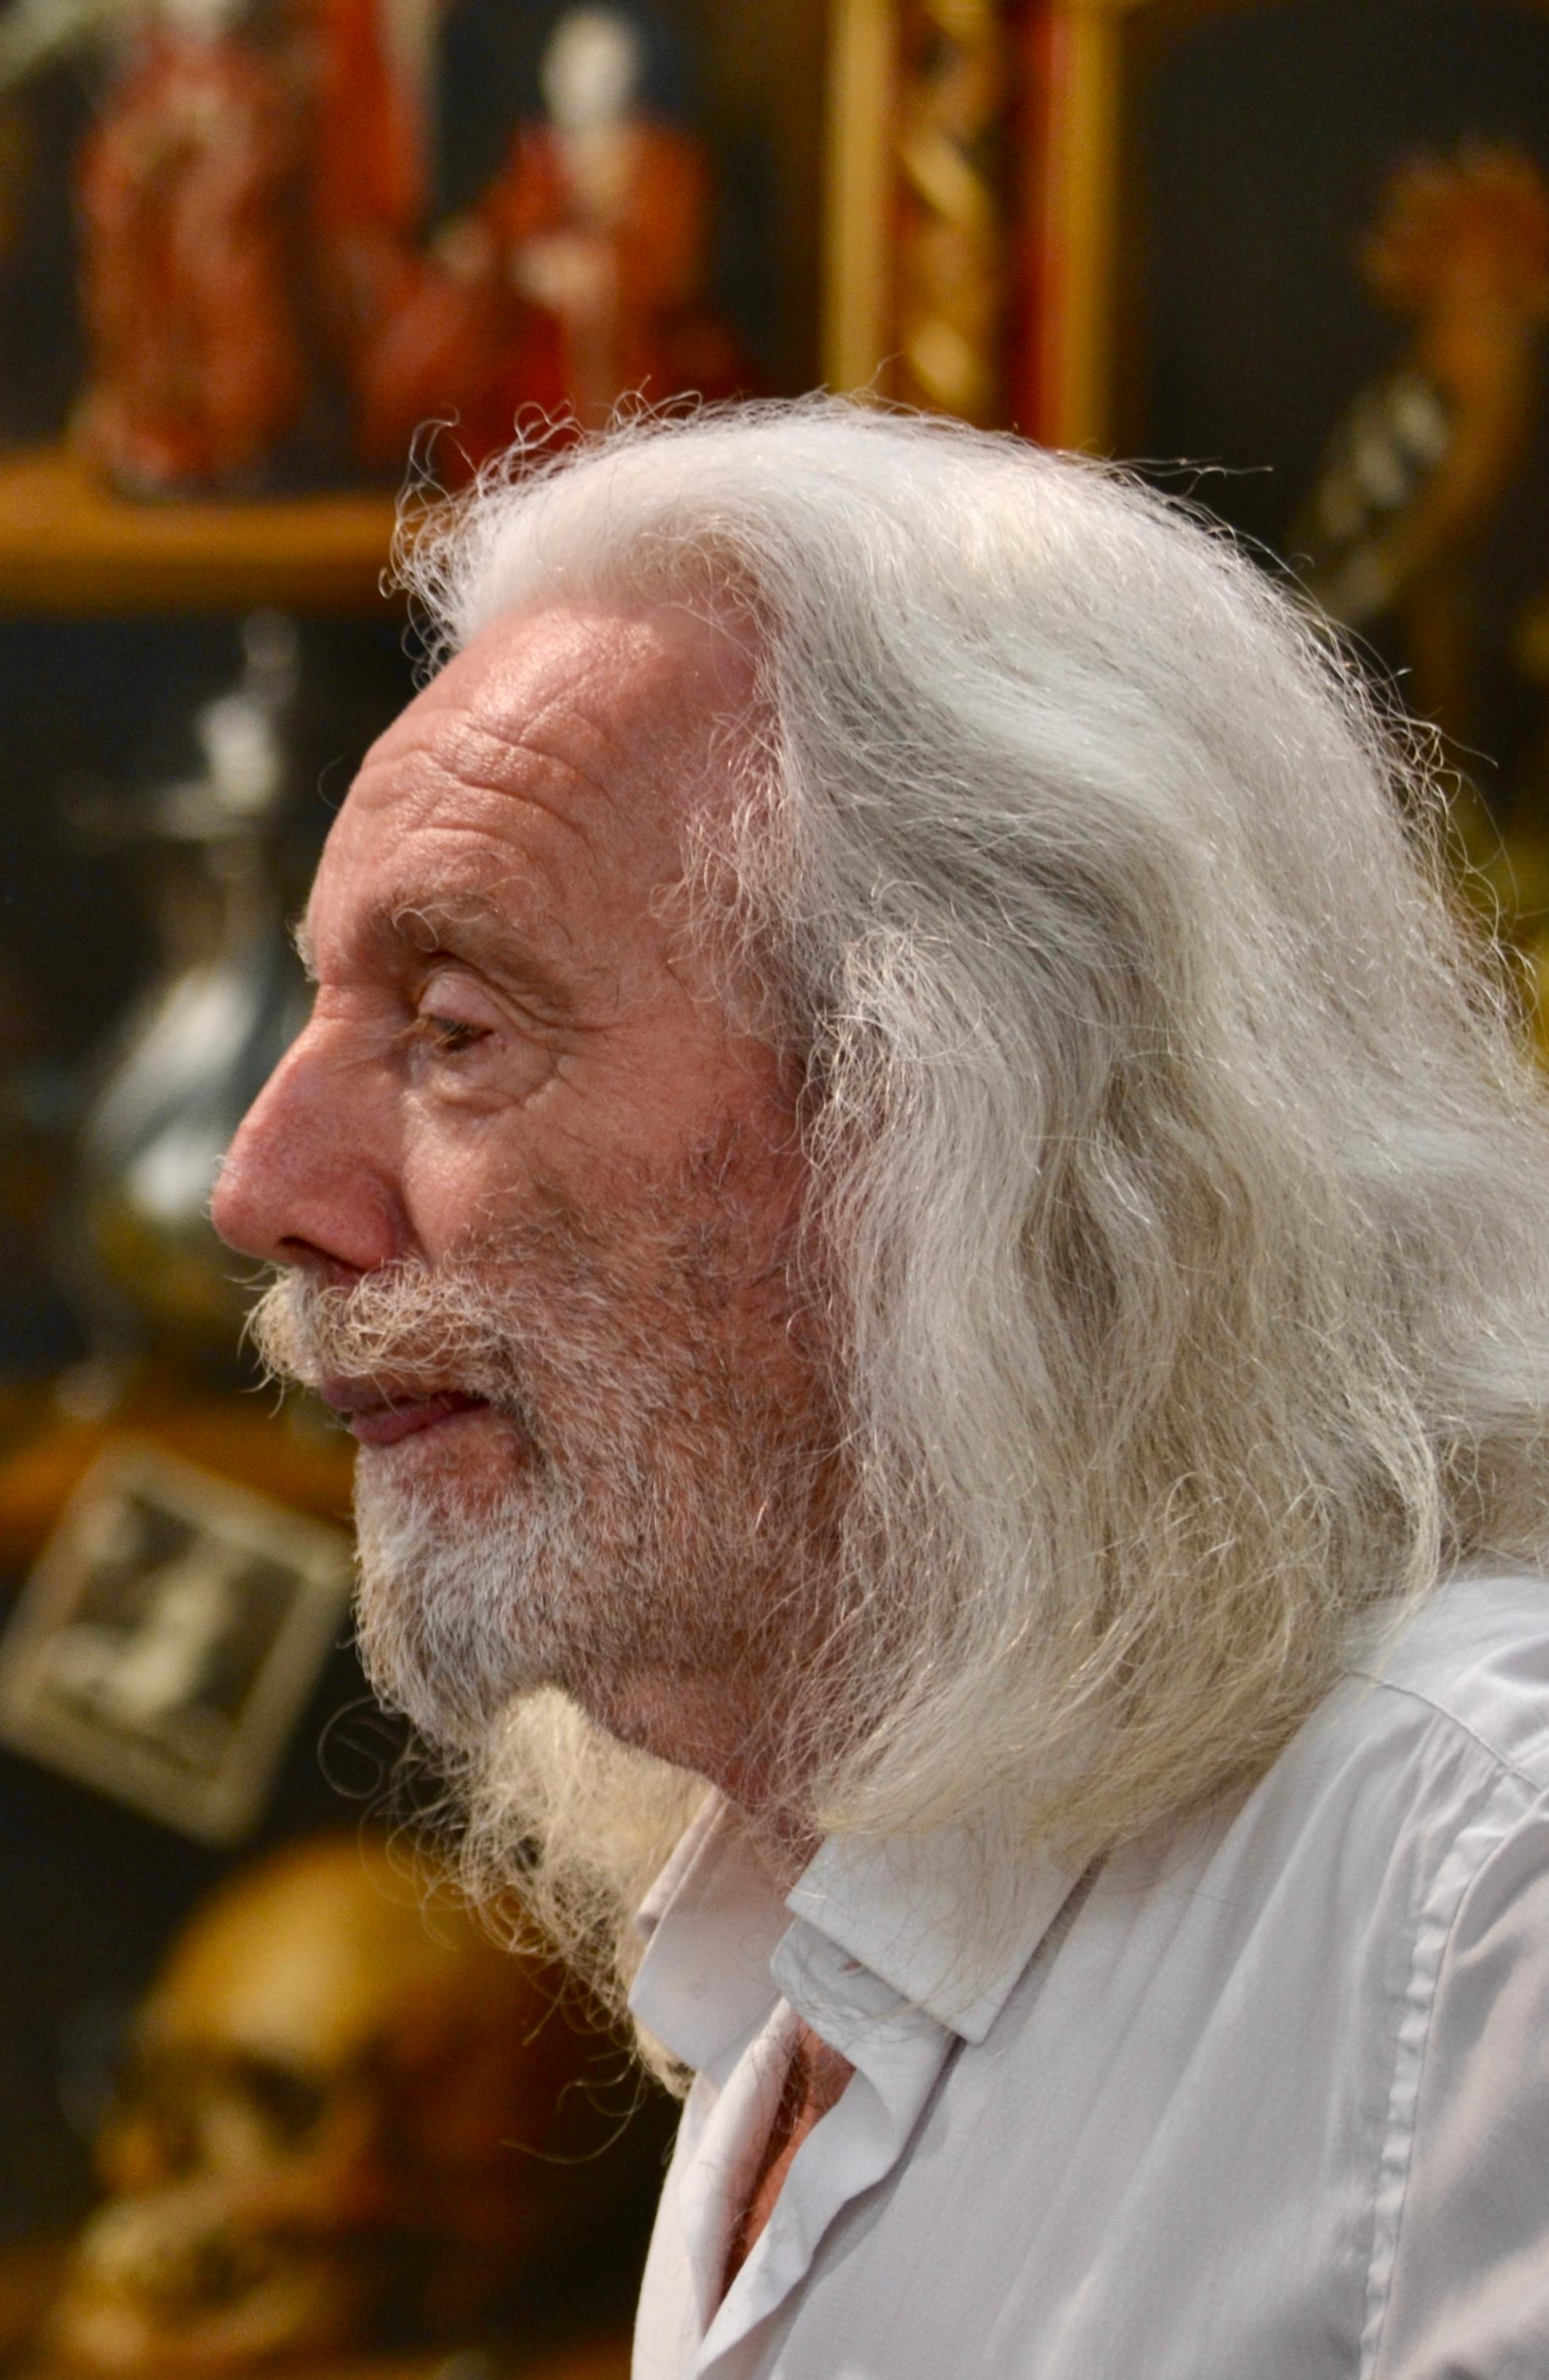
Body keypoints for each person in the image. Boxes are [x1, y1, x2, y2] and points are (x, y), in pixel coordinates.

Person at [210, 399, 1549, 2377]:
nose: (263, 1189)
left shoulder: (1483, 1895)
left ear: (957, 1125)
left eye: (459, 1028)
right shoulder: (800, 1913)